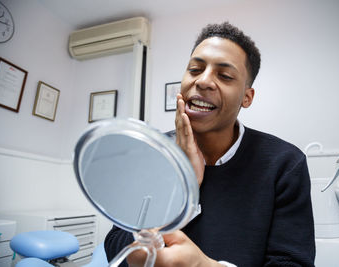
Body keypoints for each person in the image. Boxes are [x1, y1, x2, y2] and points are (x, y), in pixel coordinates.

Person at [105, 22, 315, 267]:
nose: (203, 81)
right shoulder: (152, 152)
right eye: (195, 69)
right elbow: (115, 247)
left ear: (247, 97)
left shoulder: (285, 164)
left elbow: (291, 263)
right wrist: (183, 187)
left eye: (224, 76)